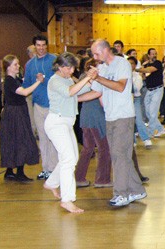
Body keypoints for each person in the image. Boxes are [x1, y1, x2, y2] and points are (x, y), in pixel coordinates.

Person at [84, 39, 147, 207]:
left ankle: (121, 193)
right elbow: (96, 92)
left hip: (124, 117)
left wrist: (99, 77)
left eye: (96, 54)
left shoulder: (122, 64)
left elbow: (120, 87)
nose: (95, 57)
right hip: (109, 117)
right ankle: (137, 189)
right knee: (122, 156)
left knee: (119, 155)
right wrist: (73, 98)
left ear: (105, 50)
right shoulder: (102, 69)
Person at [42, 52, 95, 213]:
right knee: (69, 159)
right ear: (60, 66)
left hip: (65, 123)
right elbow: (69, 92)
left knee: (72, 158)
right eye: (69, 68)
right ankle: (67, 199)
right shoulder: (54, 80)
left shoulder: (67, 79)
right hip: (56, 122)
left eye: (73, 68)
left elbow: (77, 91)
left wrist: (91, 78)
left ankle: (51, 183)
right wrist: (86, 78)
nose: (72, 71)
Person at [1, 55, 43, 183]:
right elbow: (24, 92)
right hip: (15, 114)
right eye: (15, 64)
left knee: (14, 140)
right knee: (20, 140)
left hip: (16, 112)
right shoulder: (9, 80)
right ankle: (18, 172)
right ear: (8, 67)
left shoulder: (14, 79)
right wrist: (38, 82)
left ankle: (10, 172)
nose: (18, 66)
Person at [24, 34, 58, 180]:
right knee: (42, 138)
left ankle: (54, 168)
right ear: (34, 46)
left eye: (44, 45)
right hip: (38, 105)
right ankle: (46, 168)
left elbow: (61, 79)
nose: (41, 48)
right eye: (38, 45)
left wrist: (45, 79)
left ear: (47, 46)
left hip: (53, 105)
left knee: (53, 138)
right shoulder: (30, 64)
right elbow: (27, 86)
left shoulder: (54, 60)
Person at [74, 58, 112, 188]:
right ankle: (102, 179)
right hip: (97, 117)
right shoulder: (97, 79)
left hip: (85, 117)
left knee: (88, 148)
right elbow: (100, 97)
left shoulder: (83, 79)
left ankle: (79, 177)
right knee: (104, 148)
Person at [138, 48, 165, 137]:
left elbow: (149, 70)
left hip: (158, 90)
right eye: (152, 54)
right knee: (148, 112)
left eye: (155, 53)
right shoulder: (146, 64)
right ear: (149, 55)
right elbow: (144, 76)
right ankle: (161, 129)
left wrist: (136, 69)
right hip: (149, 90)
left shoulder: (157, 63)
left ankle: (149, 133)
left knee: (153, 112)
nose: (154, 55)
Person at [129, 57, 153, 149]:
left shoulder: (137, 76)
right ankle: (132, 140)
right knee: (129, 121)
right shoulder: (123, 75)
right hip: (126, 100)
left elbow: (136, 89)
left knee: (139, 119)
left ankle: (146, 139)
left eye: (132, 63)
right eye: (128, 63)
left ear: (135, 65)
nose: (130, 65)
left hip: (135, 98)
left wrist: (129, 79)